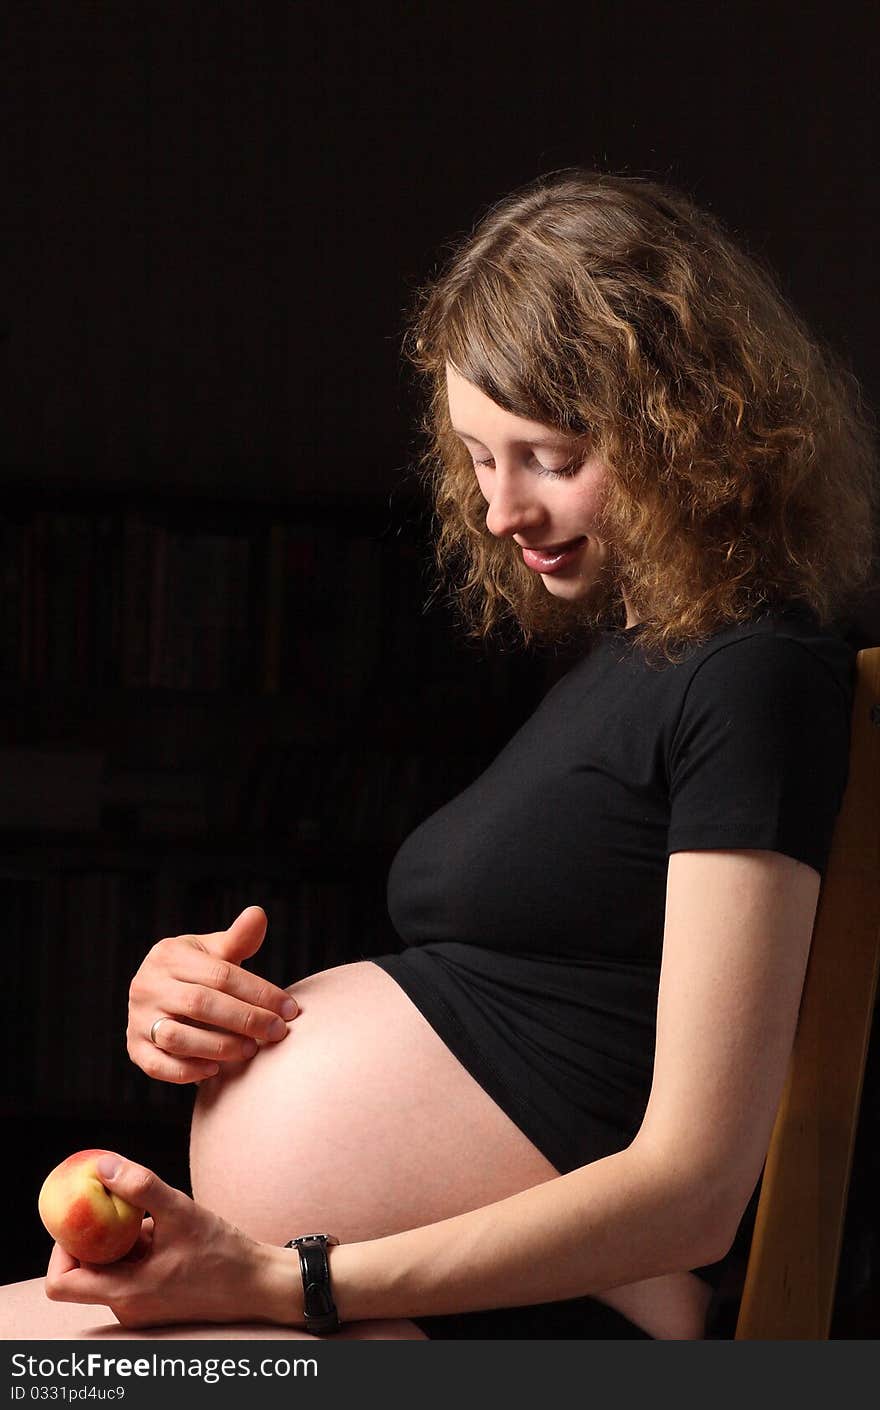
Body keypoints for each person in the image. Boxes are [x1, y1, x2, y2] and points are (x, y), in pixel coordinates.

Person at [5, 167, 877, 1342]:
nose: (502, 507)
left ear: (688, 427)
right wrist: (196, 1010)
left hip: (522, 1320)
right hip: (378, 1301)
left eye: (551, 458)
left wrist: (287, 1280)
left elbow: (694, 1194)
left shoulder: (757, 676)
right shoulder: (628, 660)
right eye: (477, 455)